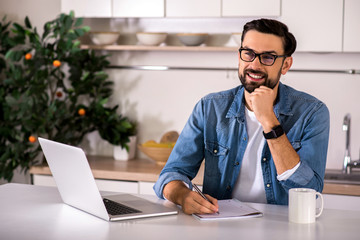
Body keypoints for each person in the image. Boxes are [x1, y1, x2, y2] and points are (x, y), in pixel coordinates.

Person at [153, 18, 330, 215]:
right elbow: (171, 174)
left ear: (286, 64)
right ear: (239, 56)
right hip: (220, 225)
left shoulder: (312, 112)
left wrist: (269, 121)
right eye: (249, 53)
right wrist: (182, 195)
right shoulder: (210, 107)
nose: (254, 64)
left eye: (268, 57)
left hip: (282, 228)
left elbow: (311, 191)